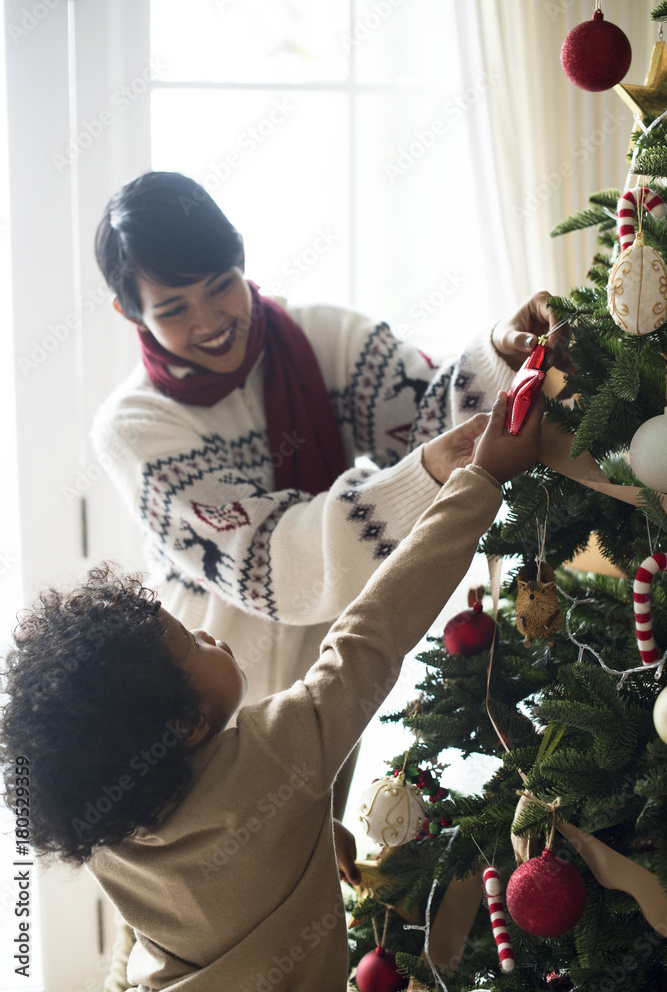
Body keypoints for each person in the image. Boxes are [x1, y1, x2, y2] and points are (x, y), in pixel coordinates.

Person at [0, 392, 543, 992]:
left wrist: (300, 832)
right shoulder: (276, 754)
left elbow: (183, 908)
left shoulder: (109, 828)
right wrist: (481, 480)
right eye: (192, 642)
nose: (208, 631)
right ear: (185, 724)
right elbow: (372, 635)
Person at [92, 171, 567, 728]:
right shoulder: (136, 427)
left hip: (337, 667)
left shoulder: (326, 338)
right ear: (130, 314)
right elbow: (269, 562)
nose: (210, 321)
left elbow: (426, 416)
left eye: (220, 285)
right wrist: (426, 473)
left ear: (242, 257)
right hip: (204, 703)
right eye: (173, 310)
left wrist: (497, 354)